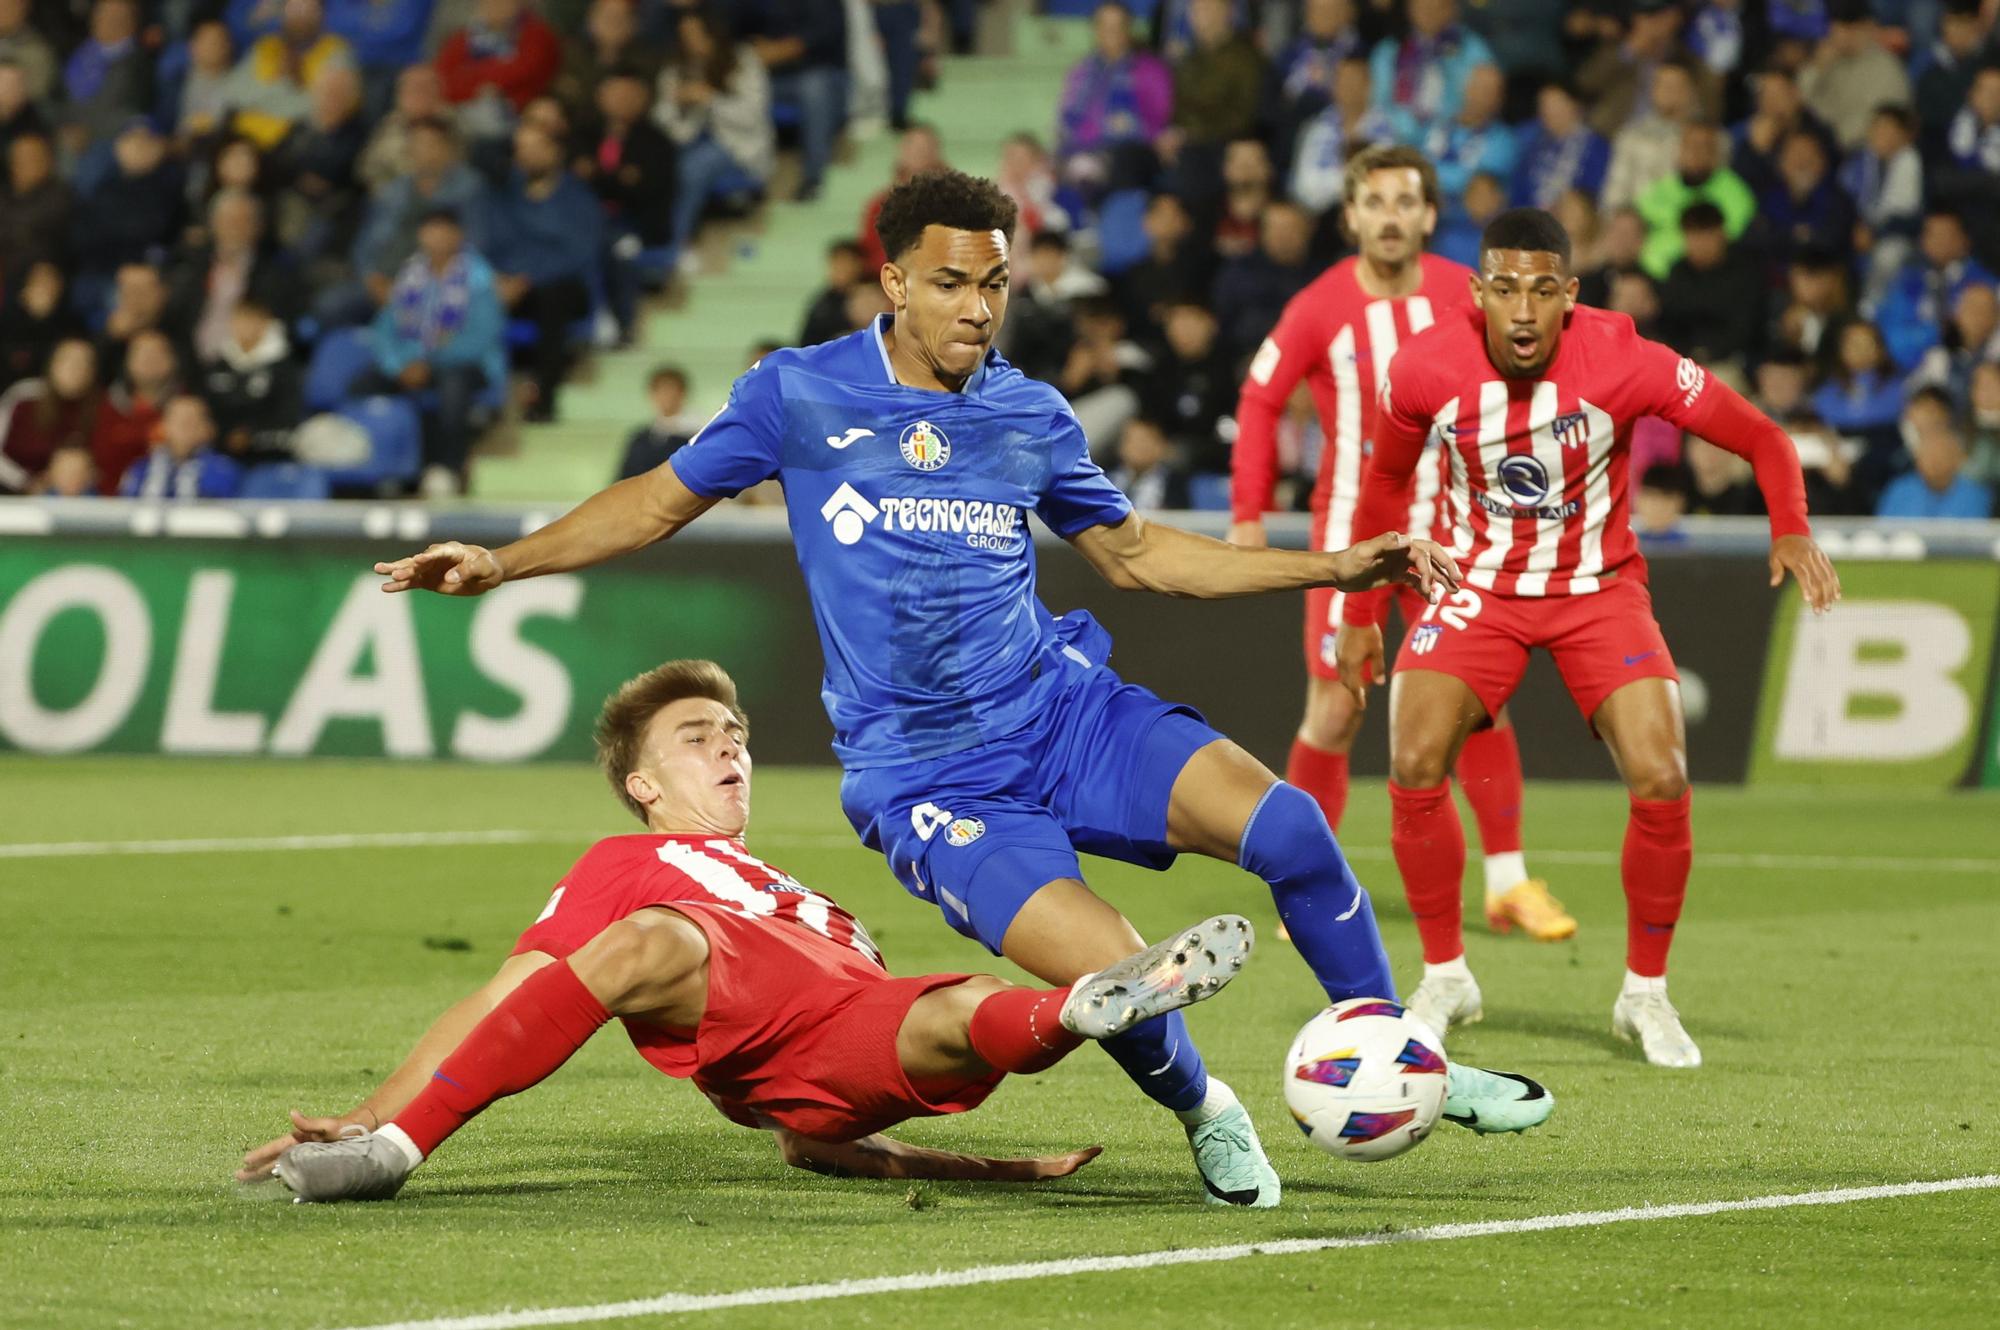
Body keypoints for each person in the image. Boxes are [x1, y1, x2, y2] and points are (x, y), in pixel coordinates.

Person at [373, 168, 1555, 1210]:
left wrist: (1335, 560)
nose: (979, 308)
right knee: (1119, 978)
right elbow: (653, 500)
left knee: (1291, 830)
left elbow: (1141, 557)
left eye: (995, 284)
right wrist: (502, 560)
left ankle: (1406, 1056)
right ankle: (1209, 1113)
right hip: (928, 776)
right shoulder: (799, 394)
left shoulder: (1027, 415)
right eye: (951, 284)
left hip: (1060, 711)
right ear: (893, 282)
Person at [240, 660, 1253, 1202]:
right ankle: (394, 1155)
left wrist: (1001, 1172)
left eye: (736, 737)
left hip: (833, 1036)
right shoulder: (627, 864)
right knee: (650, 938)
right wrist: (373, 1112)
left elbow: (817, 1139)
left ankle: (1075, 1009)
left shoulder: (821, 907)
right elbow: (502, 997)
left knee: (960, 1008)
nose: (730, 750)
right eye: (697, 739)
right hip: (721, 991)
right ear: (644, 785)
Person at [1334, 207, 1841, 1068]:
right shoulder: (1424, 367)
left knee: (1663, 773)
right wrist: (1358, 614)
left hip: (1596, 590)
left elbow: (1760, 435)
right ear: (1477, 293)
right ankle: (1447, 976)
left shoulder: (1626, 360)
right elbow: (1384, 483)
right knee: (1414, 763)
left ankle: (1645, 994)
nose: (1523, 312)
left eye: (1541, 291)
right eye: (1505, 290)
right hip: (1475, 586)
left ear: (1570, 295)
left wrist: (1789, 526)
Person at [1229, 145, 1567, 971]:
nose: (1389, 215)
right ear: (1351, 217)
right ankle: (1305, 882)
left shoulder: (1465, 292)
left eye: (1404, 201)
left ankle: (1510, 880)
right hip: (1351, 539)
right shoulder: (1319, 306)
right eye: (1374, 201)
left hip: (1455, 536)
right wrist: (1247, 516)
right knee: (1337, 708)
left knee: (1478, 702)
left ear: (1425, 215)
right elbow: (1261, 398)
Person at [355, 207, 505, 496]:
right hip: (412, 363)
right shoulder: (410, 274)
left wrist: (427, 361)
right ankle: (384, 468)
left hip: (466, 365)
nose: (435, 238)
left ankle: (450, 467)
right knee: (362, 385)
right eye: (429, 230)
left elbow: (482, 337)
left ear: (457, 235)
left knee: (453, 385)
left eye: (443, 230)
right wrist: (398, 364)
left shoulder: (479, 277)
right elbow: (384, 329)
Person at [1876, 390, 1993, 519]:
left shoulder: (1976, 494)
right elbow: (1883, 533)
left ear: (1958, 459)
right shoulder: (1898, 490)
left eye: (1942, 454)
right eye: (1928, 455)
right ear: (1917, 459)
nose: (1934, 462)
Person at [119, 394, 243, 499]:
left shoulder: (224, 469)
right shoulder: (141, 468)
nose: (186, 427)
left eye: (193, 421)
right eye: (179, 421)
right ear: (163, 426)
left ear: (208, 428)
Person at [615, 364, 697, 480]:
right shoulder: (640, 438)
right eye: (661, 390)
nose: (666, 397)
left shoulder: (695, 436)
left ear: (682, 393)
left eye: (671, 390)